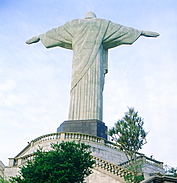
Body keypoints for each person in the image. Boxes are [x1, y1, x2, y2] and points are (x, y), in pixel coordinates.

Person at [26, 12, 159, 122]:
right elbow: (121, 31)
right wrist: (140, 32)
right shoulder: (103, 24)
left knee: (84, 91)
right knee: (84, 92)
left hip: (79, 65)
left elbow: (56, 32)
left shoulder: (73, 25)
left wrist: (40, 37)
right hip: (93, 66)